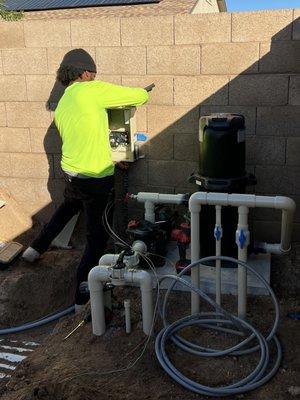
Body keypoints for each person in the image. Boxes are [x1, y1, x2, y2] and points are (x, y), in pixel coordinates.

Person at [22, 49, 149, 308]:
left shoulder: (63, 102)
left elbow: (88, 130)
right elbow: (139, 95)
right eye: (93, 73)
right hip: (95, 178)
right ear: (85, 72)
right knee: (96, 237)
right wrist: (144, 93)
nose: (94, 77)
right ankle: (82, 295)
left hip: (72, 173)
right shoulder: (93, 89)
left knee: (67, 208)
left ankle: (34, 249)